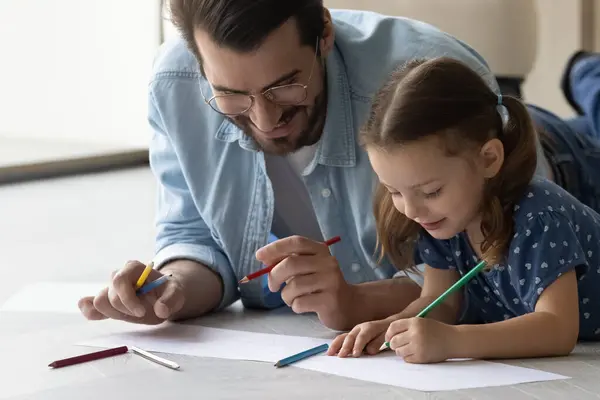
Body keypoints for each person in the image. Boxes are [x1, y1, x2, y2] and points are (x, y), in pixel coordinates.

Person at [75, 0, 568, 330]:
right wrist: (174, 288)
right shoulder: (174, 85)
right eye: (230, 95)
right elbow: (197, 237)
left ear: (325, 35)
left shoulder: (425, 69)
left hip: (556, 158)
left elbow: (498, 272)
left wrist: (356, 301)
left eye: (285, 86)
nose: (266, 121)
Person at [326, 57, 600, 364]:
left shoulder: (539, 216)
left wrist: (454, 341)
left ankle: (587, 72)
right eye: (394, 191)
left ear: (488, 159)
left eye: (431, 191)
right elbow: (441, 303)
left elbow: (557, 329)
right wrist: (393, 326)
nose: (412, 210)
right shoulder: (441, 219)